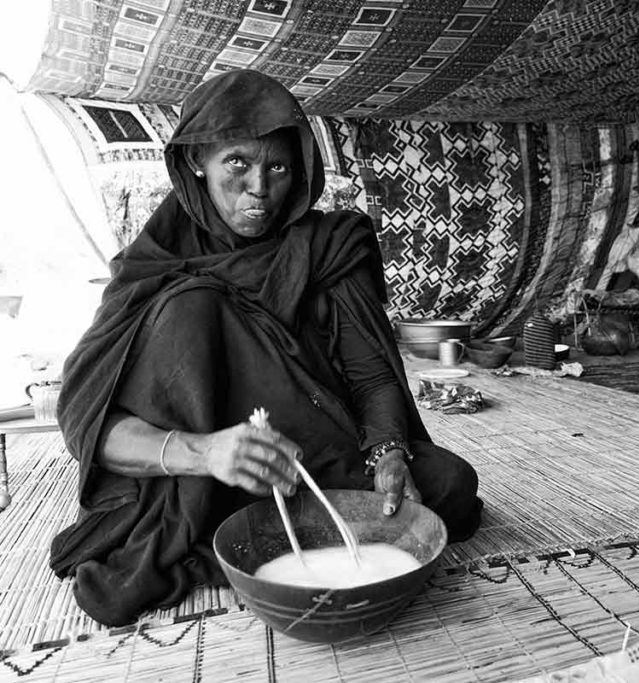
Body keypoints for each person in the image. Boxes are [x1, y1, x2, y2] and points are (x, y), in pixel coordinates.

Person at [50, 69, 483, 627]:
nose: (259, 187)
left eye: (277, 167)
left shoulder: (328, 244)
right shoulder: (156, 266)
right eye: (237, 163)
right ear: (195, 163)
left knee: (449, 484)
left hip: (317, 456)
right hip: (199, 477)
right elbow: (91, 428)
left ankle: (260, 533)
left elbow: (371, 375)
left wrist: (387, 453)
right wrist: (207, 452)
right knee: (195, 304)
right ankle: (246, 526)